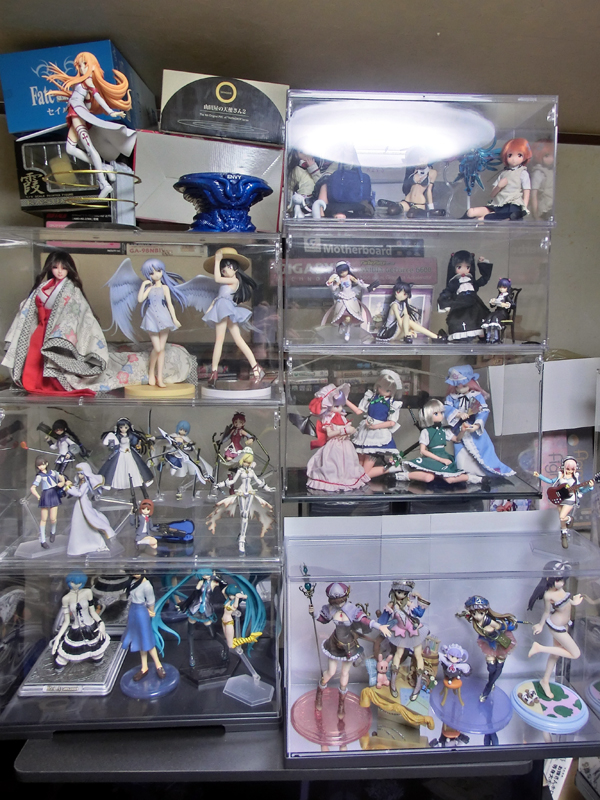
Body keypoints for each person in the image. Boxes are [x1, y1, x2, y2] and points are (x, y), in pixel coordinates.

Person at [2, 251, 107, 395]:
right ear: (49, 268)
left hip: (58, 332)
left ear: (69, 269)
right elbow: (29, 307)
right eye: (55, 267)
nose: (59, 271)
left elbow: (80, 311)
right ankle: (33, 383)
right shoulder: (42, 288)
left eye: (64, 268)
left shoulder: (73, 290)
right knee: (34, 357)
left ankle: (54, 384)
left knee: (54, 358)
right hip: (41, 328)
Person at [45, 51, 135, 198]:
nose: (82, 68)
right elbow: (86, 101)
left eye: (85, 64)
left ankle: (103, 183)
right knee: (70, 149)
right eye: (79, 65)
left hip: (78, 116)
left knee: (89, 148)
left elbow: (98, 97)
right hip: (74, 115)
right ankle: (105, 168)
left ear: (93, 66)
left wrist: (111, 112)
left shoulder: (88, 82)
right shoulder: (81, 82)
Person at [309, 582, 391, 718]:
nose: (337, 602)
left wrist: (379, 626)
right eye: (334, 599)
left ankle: (341, 704)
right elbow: (323, 619)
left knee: (345, 674)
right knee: (330, 672)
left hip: (348, 645)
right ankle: (319, 693)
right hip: (335, 643)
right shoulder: (331, 609)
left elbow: (366, 621)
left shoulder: (352, 610)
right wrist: (314, 614)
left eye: (339, 599)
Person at [202, 248, 264, 387]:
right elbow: (218, 298)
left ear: (236, 269)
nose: (225, 270)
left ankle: (214, 372)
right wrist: (210, 309)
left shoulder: (234, 280)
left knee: (222, 340)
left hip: (226, 310)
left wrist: (217, 261)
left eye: (228, 267)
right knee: (236, 340)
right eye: (223, 268)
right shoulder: (225, 284)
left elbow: (217, 279)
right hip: (223, 309)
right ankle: (256, 368)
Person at [444, 365, 515, 477]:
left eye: (464, 386)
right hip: (459, 430)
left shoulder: (476, 396)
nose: (461, 389)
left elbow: (483, 411)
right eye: (457, 386)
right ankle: (465, 474)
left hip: (474, 430)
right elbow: (447, 408)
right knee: (461, 456)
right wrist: (458, 414)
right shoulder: (452, 397)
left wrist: (477, 425)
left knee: (483, 452)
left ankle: (482, 474)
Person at [528, 561, 583, 699]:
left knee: (556, 654)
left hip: (565, 624)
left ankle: (545, 680)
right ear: (549, 578)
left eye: (563, 580)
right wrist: (540, 625)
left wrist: (573, 602)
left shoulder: (560, 590)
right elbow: (546, 612)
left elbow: (565, 603)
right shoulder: (548, 595)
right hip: (556, 626)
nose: (561, 583)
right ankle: (539, 648)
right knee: (575, 653)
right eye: (558, 580)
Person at [397, 398, 482, 485]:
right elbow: (422, 451)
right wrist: (440, 459)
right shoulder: (426, 431)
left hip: (444, 456)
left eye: (441, 413)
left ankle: (473, 478)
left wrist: (462, 431)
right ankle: (405, 475)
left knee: (449, 479)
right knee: (428, 477)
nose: (440, 415)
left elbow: (457, 439)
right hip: (432, 458)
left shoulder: (444, 430)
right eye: (436, 413)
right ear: (428, 415)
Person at [306, 383, 370, 493]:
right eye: (336, 406)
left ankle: (346, 479)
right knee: (333, 464)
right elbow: (330, 434)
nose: (340, 408)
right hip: (334, 445)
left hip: (346, 444)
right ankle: (334, 481)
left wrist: (350, 432)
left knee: (348, 463)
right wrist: (343, 431)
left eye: (341, 405)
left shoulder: (341, 416)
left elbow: (347, 430)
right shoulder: (327, 419)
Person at [456, 595, 518, 701]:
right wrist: (461, 614)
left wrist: (497, 627)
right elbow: (467, 615)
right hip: (488, 644)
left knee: (499, 666)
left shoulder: (489, 620)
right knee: (491, 668)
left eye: (480, 613)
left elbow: (500, 627)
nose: (477, 616)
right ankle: (491, 683)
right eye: (474, 613)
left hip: (499, 643)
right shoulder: (474, 619)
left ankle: (488, 687)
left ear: (485, 611)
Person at [348, 369, 403, 478]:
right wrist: (345, 400)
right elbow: (359, 411)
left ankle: (392, 468)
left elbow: (392, 422)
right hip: (364, 433)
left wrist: (375, 426)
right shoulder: (371, 397)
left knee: (364, 473)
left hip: (378, 435)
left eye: (387, 390)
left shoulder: (393, 404)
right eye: (380, 387)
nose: (382, 390)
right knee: (357, 469)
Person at [50, 572, 110, 669]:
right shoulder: (66, 598)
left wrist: (101, 623)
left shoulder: (87, 592)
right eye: (73, 582)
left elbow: (92, 612)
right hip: (76, 630)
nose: (76, 585)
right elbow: (66, 621)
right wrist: (58, 638)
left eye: (79, 583)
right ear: (69, 582)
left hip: (91, 628)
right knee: (62, 659)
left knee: (97, 655)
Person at [466, 138, 532, 221]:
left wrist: (524, 209)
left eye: (519, 155)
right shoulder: (503, 173)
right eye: (510, 155)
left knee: (485, 218)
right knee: (471, 212)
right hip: (499, 203)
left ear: (525, 156)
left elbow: (526, 191)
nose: (514, 159)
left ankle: (489, 217)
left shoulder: (523, 173)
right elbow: (492, 194)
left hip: (513, 205)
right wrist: (499, 186)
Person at [534, 458, 593, 549]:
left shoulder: (575, 480)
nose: (570, 471)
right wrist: (539, 476)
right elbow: (550, 481)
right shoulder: (560, 477)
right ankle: (564, 535)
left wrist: (589, 487)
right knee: (561, 519)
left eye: (572, 469)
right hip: (560, 499)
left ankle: (569, 519)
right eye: (568, 469)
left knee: (562, 517)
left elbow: (582, 490)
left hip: (570, 500)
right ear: (564, 468)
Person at [436, 251, 492, 342]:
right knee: (460, 321)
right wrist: (445, 303)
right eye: (459, 267)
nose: (463, 270)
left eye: (467, 267)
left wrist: (482, 264)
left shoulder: (471, 281)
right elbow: (446, 292)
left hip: (474, 303)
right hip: (461, 305)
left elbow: (484, 279)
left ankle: (482, 335)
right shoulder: (454, 282)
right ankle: (463, 337)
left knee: (479, 318)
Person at [121, 573, 166, 682]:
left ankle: (158, 665)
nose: (135, 573)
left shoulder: (147, 585)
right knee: (139, 640)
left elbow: (151, 600)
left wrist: (151, 611)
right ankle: (144, 667)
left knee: (147, 639)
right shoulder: (132, 581)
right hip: (133, 611)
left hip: (142, 612)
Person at [66, 462, 116, 556]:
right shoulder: (81, 483)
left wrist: (68, 487)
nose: (79, 476)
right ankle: (79, 546)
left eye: (81, 473)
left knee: (91, 521)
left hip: (83, 504)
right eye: (78, 474)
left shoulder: (85, 484)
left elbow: (79, 493)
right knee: (79, 525)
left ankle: (97, 542)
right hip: (79, 505)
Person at [377, 277, 444, 343]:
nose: (401, 295)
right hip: (389, 333)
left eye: (404, 294)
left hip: (397, 332)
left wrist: (410, 329)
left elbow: (406, 316)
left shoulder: (403, 304)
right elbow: (399, 320)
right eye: (398, 292)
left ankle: (434, 337)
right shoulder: (394, 305)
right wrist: (408, 331)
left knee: (407, 317)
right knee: (405, 318)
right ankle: (409, 335)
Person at [322, 261, 374, 342]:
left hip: (351, 299)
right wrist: (330, 282)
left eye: (345, 270)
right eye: (341, 272)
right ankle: (342, 325)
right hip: (342, 299)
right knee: (344, 318)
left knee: (350, 318)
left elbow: (359, 283)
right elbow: (333, 289)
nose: (343, 273)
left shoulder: (350, 277)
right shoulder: (339, 279)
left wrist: (368, 287)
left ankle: (347, 332)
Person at [98, 418, 154, 491]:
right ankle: (109, 483)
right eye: (121, 427)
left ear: (129, 427)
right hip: (120, 453)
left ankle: (145, 480)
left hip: (129, 453)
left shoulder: (130, 435)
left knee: (137, 466)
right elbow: (112, 444)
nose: (123, 429)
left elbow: (135, 442)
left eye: (125, 427)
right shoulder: (117, 436)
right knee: (115, 468)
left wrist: (138, 445)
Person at [29, 456, 67, 549]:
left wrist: (62, 483)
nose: (41, 467)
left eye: (42, 464)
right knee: (43, 519)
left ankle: (53, 532)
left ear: (46, 464)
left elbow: (62, 478)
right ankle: (43, 540)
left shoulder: (53, 472)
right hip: (45, 495)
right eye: (39, 466)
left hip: (53, 494)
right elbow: (33, 488)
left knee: (53, 518)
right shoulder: (39, 476)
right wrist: (38, 496)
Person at [481, 278, 516, 344]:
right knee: (489, 316)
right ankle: (488, 337)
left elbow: (513, 305)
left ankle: (496, 338)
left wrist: (506, 304)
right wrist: (493, 302)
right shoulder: (499, 296)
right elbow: (493, 306)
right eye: (500, 287)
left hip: (503, 313)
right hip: (497, 312)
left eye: (504, 287)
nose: (501, 289)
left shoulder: (507, 296)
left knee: (495, 318)